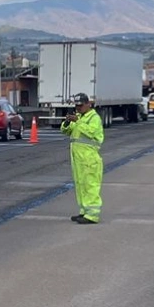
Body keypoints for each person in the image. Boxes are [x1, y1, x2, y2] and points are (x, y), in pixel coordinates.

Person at [61, 93, 103, 224]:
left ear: (87, 104)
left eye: (80, 105)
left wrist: (77, 121)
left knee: (90, 185)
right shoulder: (79, 117)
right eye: (76, 106)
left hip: (89, 159)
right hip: (79, 159)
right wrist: (67, 122)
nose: (78, 108)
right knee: (80, 185)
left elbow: (90, 132)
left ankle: (92, 215)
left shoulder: (94, 118)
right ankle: (84, 211)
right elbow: (65, 131)